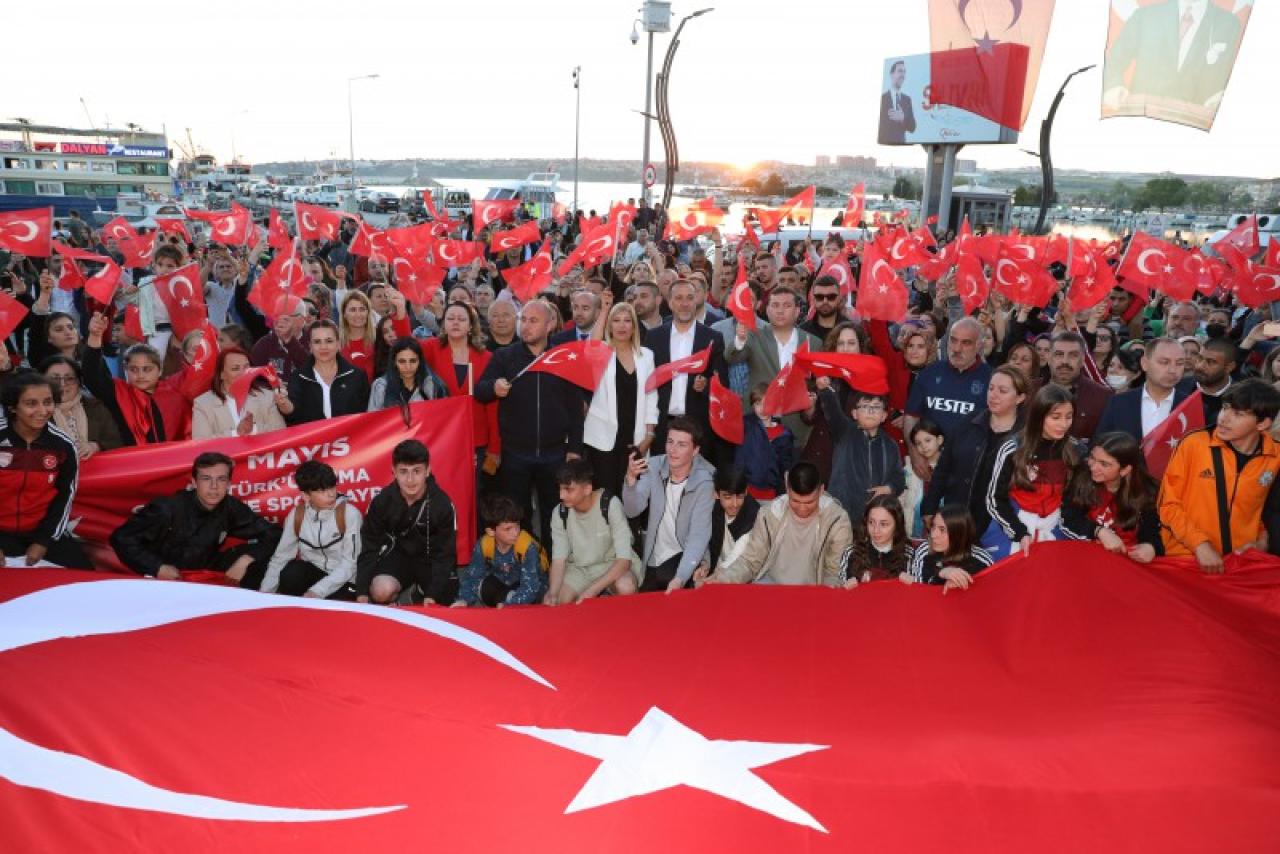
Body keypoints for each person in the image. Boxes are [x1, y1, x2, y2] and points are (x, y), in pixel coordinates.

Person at [475, 300, 586, 549]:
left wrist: (575, 448)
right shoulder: (505, 356)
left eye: (533, 321)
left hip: (555, 452)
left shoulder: (563, 357)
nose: (525, 326)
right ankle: (523, 560)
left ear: (550, 325)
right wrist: (493, 387)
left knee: (554, 513)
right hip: (516, 452)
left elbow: (575, 408)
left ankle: (552, 560)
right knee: (516, 513)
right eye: (523, 320)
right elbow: (480, 390)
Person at [1159, 379, 1280, 572]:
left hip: (1241, 564)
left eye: (1238, 414)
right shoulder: (1194, 444)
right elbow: (1168, 505)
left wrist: (1262, 541)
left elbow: (1269, 510)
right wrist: (1200, 544)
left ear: (1263, 423)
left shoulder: (1276, 456)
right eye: (1225, 408)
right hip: (1186, 559)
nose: (1223, 418)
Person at [110, 452, 281, 586]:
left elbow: (274, 533)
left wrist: (246, 560)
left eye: (221, 479)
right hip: (164, 578)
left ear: (229, 483)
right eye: (206, 479)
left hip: (205, 573)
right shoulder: (167, 508)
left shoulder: (229, 506)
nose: (214, 487)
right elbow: (121, 538)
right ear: (194, 482)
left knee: (269, 564)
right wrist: (157, 567)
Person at [922, 365, 1028, 547]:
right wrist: (930, 508)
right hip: (956, 520)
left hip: (997, 528)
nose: (993, 395)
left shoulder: (1025, 438)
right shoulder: (968, 422)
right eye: (991, 388)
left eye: (1003, 391)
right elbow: (943, 468)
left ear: (1020, 398)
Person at [0, 373, 88, 567]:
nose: (42, 410)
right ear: (12, 406)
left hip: (40, 532)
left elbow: (65, 496)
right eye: (31, 403)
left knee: (85, 575)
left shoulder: (63, 446)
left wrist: (43, 541)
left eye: (48, 402)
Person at [355, 439, 458, 604]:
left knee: (446, 600)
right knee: (380, 592)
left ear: (427, 471)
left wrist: (432, 595)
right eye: (403, 471)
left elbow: (445, 555)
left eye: (417, 471)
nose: (410, 479)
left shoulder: (442, 504)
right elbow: (369, 547)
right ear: (394, 472)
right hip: (398, 556)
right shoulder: (382, 501)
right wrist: (361, 591)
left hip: (430, 559)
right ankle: (404, 592)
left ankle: (418, 592)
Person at [622, 416, 716, 593]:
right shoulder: (654, 466)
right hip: (654, 557)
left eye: (681, 445)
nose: (673, 450)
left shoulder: (705, 482)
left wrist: (680, 578)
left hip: (686, 556)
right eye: (670, 442)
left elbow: (698, 537)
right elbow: (632, 510)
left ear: (695, 450)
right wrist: (631, 481)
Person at [987, 385, 1084, 555]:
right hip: (1013, 529)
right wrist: (1019, 532)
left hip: (1055, 529)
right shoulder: (1013, 448)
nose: (1063, 424)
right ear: (1039, 416)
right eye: (1056, 417)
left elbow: (1073, 504)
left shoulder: (1076, 450)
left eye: (1069, 417)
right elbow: (994, 499)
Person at [727, 287, 822, 445]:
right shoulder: (754, 336)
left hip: (797, 427)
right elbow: (731, 357)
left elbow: (816, 384)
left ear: (797, 311)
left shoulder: (814, 343)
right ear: (767, 310)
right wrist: (739, 340)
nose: (780, 310)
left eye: (786, 305)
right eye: (775, 305)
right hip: (759, 428)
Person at [584, 302, 658, 497]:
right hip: (603, 437)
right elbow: (592, 345)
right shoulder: (601, 353)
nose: (622, 326)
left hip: (636, 436)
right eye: (616, 321)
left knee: (633, 492)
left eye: (627, 321)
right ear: (609, 326)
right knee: (606, 493)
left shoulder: (647, 356)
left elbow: (652, 396)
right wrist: (605, 309)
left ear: (634, 326)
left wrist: (649, 436)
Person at [259, 460, 363, 598]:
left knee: (335, 603)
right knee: (290, 573)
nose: (331, 494)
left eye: (332, 487)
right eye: (322, 490)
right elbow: (281, 558)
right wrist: (264, 595)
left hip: (345, 579)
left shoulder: (350, 514)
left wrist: (317, 591)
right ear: (306, 496)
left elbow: (351, 564)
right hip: (314, 574)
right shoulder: (297, 515)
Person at [644, 278, 726, 452]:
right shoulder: (653, 338)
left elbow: (723, 382)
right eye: (679, 298)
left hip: (698, 426)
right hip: (660, 426)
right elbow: (645, 381)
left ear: (696, 300)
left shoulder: (713, 338)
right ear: (670, 302)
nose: (685, 303)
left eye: (690, 297)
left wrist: (705, 385)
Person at [904, 316, 992, 477]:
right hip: (928, 465)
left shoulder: (991, 379)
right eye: (953, 340)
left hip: (967, 470)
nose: (957, 348)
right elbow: (911, 416)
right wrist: (914, 452)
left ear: (979, 345)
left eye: (966, 343)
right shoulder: (930, 373)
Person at [545, 458, 640, 604]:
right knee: (557, 600)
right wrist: (552, 593)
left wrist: (591, 591)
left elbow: (623, 561)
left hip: (611, 563)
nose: (561, 496)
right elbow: (559, 560)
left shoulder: (609, 504)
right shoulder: (559, 513)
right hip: (579, 569)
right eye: (560, 488)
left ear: (587, 489)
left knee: (626, 586)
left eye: (568, 489)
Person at [420, 301, 499, 475]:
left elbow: (493, 406)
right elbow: (404, 350)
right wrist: (402, 313)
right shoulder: (431, 348)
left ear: (471, 326)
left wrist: (494, 447)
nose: (455, 322)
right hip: (441, 436)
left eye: (461, 319)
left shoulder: (486, 358)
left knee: (473, 494)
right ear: (444, 324)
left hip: (476, 440)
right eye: (451, 318)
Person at [82, 313, 183, 445]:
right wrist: (95, 336)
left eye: (147, 369)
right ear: (125, 370)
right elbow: (93, 377)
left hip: (170, 462)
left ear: (160, 371)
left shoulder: (175, 396)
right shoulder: (119, 393)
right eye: (134, 369)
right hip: (132, 462)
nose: (140, 375)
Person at [1061, 432, 1162, 563]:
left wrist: (1151, 547)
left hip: (1125, 562)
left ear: (1125, 470)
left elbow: (1152, 530)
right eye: (1092, 458)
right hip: (1084, 556)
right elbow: (1068, 518)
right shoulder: (1082, 478)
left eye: (1104, 464)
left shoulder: (1147, 492)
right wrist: (1099, 531)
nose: (1093, 467)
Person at [818, 382, 905, 526]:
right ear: (854, 413)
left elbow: (899, 478)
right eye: (864, 406)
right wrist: (824, 390)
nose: (870, 411)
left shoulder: (890, 445)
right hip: (840, 515)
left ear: (884, 415)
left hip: (874, 519)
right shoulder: (845, 432)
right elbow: (833, 412)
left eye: (876, 407)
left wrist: (889, 488)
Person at [455, 494, 546, 608]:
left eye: (517, 525)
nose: (515, 532)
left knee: (517, 596)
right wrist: (463, 600)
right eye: (508, 529)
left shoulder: (527, 547)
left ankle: (504, 607)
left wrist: (508, 605)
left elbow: (531, 587)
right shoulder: (484, 544)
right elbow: (472, 577)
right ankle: (501, 604)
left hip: (527, 589)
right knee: (480, 585)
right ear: (491, 531)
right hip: (502, 586)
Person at [1095, 338, 1192, 440]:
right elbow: (1100, 445)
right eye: (1164, 362)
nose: (1172, 370)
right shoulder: (1118, 403)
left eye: (1180, 363)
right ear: (1144, 363)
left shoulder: (1192, 406)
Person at [192, 347, 289, 439]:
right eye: (235, 368)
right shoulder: (202, 404)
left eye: (247, 367)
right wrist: (236, 433)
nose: (244, 373)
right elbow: (200, 443)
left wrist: (254, 429)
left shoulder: (267, 396)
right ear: (222, 375)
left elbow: (280, 432)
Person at [286, 319, 370, 423]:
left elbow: (365, 418)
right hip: (313, 439)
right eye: (317, 342)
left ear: (338, 344)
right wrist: (287, 408)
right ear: (310, 346)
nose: (323, 347)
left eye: (329, 341)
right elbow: (293, 419)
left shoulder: (357, 376)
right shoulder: (298, 377)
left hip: (351, 438)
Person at [39, 355, 122, 459]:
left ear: (79, 382)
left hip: (98, 472)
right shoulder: (36, 412)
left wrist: (96, 446)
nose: (62, 384)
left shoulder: (95, 407)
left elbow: (116, 441)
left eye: (69, 378)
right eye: (55, 378)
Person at [695, 465, 761, 582]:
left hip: (742, 576)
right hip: (716, 570)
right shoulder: (711, 508)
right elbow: (702, 539)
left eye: (740, 496)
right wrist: (705, 564)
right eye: (728, 497)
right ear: (716, 494)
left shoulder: (755, 515)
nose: (734, 504)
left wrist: (715, 576)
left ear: (746, 491)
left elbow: (738, 556)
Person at [906, 506, 994, 590]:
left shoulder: (982, 560)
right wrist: (940, 574)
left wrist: (959, 587)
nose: (933, 535)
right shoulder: (924, 550)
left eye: (942, 530)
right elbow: (917, 590)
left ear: (959, 534)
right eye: (933, 526)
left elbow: (987, 596)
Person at [1046, 331, 1112, 440]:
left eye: (1073, 355)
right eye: (1059, 354)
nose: (1065, 361)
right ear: (1049, 358)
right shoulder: (1030, 390)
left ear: (1082, 360)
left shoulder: (1102, 397)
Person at [736, 382, 794, 499]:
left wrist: (788, 485)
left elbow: (785, 464)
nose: (763, 408)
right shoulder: (746, 425)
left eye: (767, 403)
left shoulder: (784, 433)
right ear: (752, 406)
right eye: (758, 404)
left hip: (772, 494)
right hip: (746, 491)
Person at [845, 494, 913, 587]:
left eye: (884, 524)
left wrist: (912, 584)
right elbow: (841, 594)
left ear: (897, 525)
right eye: (871, 522)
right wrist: (846, 587)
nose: (876, 530)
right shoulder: (851, 552)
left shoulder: (909, 555)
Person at [367, 338, 449, 411]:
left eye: (413, 361)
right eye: (402, 361)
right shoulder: (381, 386)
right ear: (394, 362)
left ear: (420, 361)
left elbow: (440, 419)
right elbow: (373, 422)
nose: (408, 367)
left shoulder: (431, 385)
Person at [902, 419, 944, 537]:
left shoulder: (950, 469)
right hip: (913, 532)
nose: (923, 446)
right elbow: (902, 498)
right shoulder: (909, 469)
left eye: (927, 440)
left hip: (942, 533)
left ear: (940, 440)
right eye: (918, 443)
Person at [1193, 337, 1237, 426]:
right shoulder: (1179, 386)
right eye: (1200, 358)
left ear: (1229, 367)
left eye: (1211, 362)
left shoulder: (1241, 398)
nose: (1201, 366)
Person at [338, 289, 377, 381]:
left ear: (368, 312)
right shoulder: (335, 342)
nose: (358, 314)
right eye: (352, 310)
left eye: (362, 309)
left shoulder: (379, 338)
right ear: (344, 314)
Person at [879, 59, 917, 144]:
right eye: (900, 71)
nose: (903, 75)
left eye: (904, 72)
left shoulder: (907, 100)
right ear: (892, 74)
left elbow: (913, 127)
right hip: (884, 144)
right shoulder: (882, 98)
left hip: (901, 144)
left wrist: (903, 118)